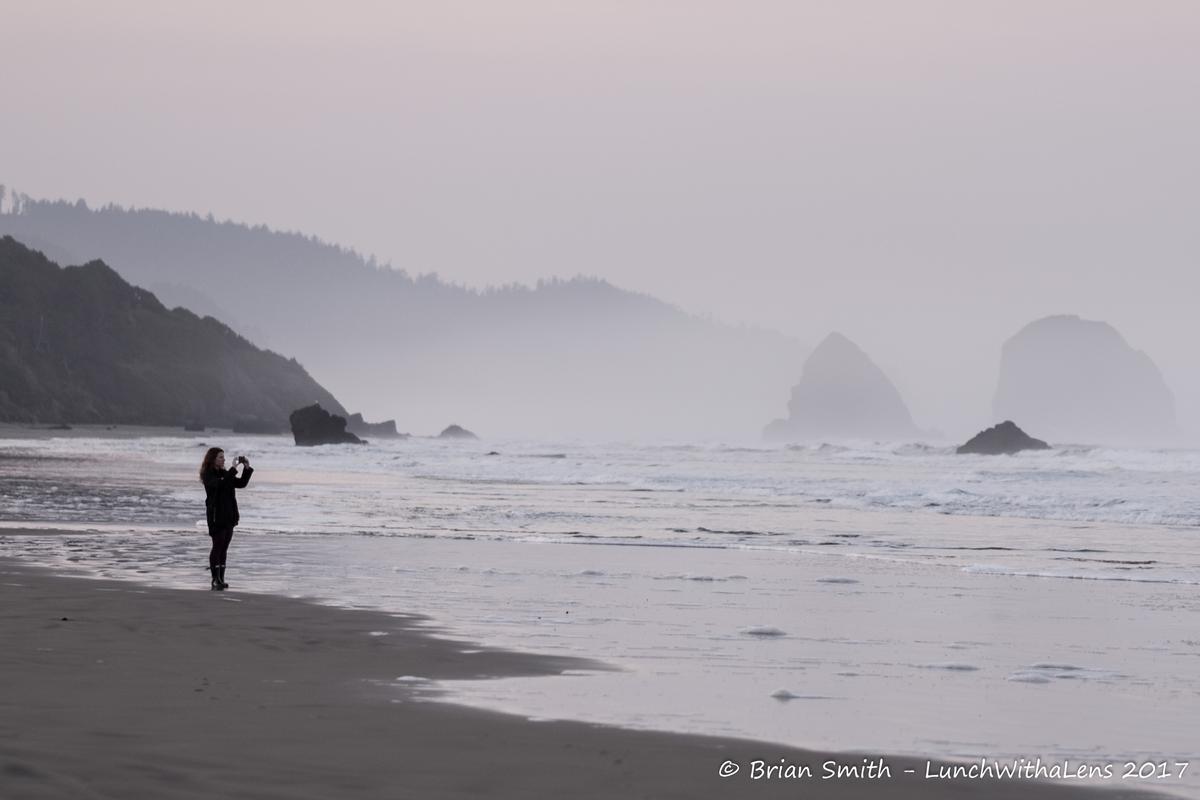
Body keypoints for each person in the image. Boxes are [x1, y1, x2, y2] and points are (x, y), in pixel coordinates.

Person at [199, 447, 254, 591]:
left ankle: (221, 578)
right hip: (216, 515)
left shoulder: (225, 473)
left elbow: (241, 483)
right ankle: (215, 578)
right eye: (220, 457)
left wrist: (246, 468)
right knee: (217, 546)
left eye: (223, 457)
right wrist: (233, 468)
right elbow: (220, 484)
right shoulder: (208, 474)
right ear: (212, 459)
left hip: (229, 514)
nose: (223, 459)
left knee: (224, 548)